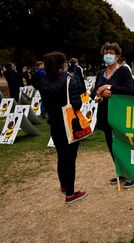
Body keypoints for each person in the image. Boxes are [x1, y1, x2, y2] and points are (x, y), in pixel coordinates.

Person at [32, 51, 87, 204]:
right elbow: (76, 103)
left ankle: (64, 185)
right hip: (69, 124)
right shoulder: (70, 80)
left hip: (54, 124)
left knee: (61, 156)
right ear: (63, 64)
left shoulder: (43, 82)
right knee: (70, 159)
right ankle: (70, 194)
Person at [93, 42, 134, 189]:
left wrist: (111, 88)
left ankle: (133, 174)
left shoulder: (123, 71)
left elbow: (130, 90)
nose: (108, 55)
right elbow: (95, 88)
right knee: (111, 145)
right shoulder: (101, 72)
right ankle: (121, 172)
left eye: (111, 53)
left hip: (120, 114)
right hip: (105, 113)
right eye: (106, 52)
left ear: (118, 56)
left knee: (124, 144)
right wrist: (100, 91)